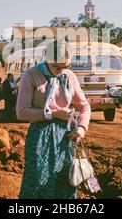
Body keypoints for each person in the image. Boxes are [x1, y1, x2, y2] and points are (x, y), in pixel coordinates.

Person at [16, 39, 91, 199]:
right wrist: (52, 114)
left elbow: (84, 106)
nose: (61, 71)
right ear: (47, 59)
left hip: (65, 138)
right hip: (40, 138)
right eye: (57, 67)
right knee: (37, 182)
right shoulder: (32, 74)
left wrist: (81, 129)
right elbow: (21, 112)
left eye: (66, 66)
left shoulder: (69, 76)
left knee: (65, 182)